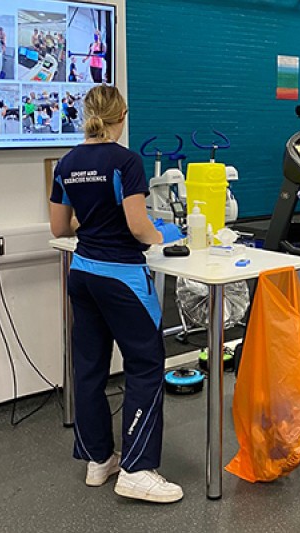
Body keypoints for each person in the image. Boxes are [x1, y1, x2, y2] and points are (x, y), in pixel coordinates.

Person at [49, 85, 185, 503]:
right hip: (122, 278)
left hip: (83, 274)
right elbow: (138, 226)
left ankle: (99, 460)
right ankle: (138, 468)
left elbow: (59, 227)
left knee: (89, 368)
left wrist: (92, 223)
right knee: (146, 365)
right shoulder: (125, 161)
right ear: (121, 116)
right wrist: (163, 237)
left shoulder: (66, 163)